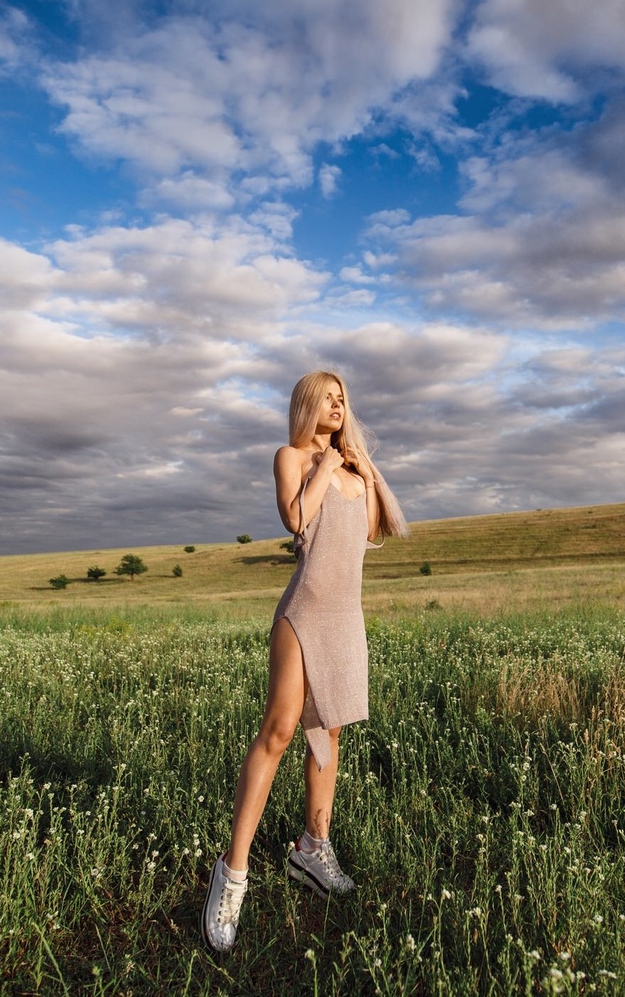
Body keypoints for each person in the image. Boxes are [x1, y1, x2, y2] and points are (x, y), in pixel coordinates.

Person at [201, 370, 407, 953]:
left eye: (344, 399)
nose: (339, 406)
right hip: (304, 612)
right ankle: (231, 873)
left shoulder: (352, 468)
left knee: (330, 731)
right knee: (280, 730)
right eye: (329, 398)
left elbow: (369, 535)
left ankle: (313, 851)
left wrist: (361, 471)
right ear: (307, 405)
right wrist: (325, 466)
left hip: (347, 616)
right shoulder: (290, 457)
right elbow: (296, 520)